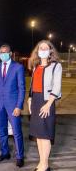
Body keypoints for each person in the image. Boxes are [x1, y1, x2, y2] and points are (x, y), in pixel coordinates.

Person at [28, 40, 62, 171]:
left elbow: (57, 87)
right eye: (40, 48)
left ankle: (45, 164)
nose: (42, 50)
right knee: (38, 134)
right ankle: (41, 163)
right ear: (37, 51)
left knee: (45, 134)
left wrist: (48, 104)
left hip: (47, 101)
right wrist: (29, 99)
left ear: (50, 51)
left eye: (45, 48)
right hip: (36, 101)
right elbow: (32, 86)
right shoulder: (36, 66)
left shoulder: (56, 66)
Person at [0, 44, 25, 167]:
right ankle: (5, 153)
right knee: (2, 130)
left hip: (13, 105)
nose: (3, 54)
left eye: (5, 52)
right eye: (1, 52)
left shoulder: (18, 67)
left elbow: (21, 88)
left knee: (17, 132)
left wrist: (19, 106)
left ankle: (20, 156)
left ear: (10, 54)